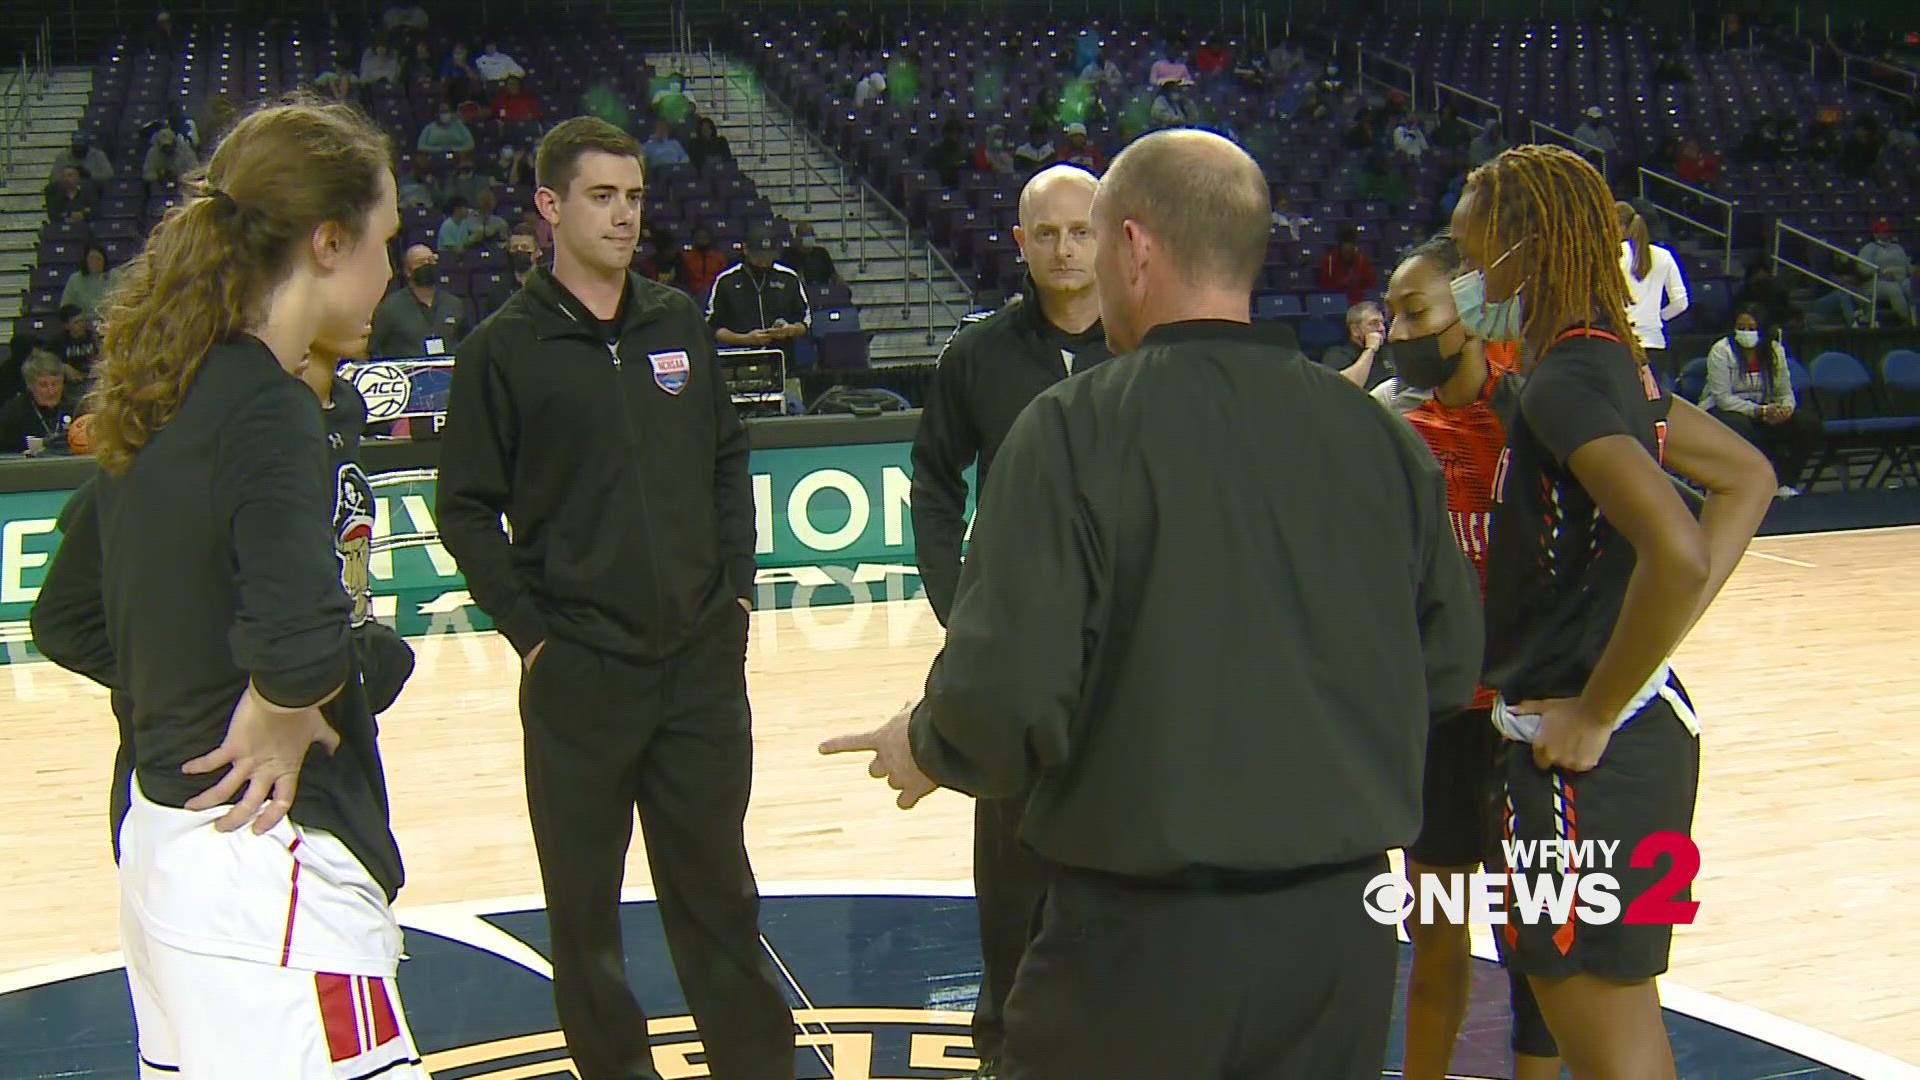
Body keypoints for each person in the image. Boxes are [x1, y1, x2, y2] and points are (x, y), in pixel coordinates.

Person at [822, 128, 1482, 1078]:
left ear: (1132, 248)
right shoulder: (1382, 441)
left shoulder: (1070, 431)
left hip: (1139, 943)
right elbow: (1450, 665)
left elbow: (1004, 700)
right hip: (1341, 939)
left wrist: (927, 742)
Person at [26, 97, 431, 1079]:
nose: (391, 270)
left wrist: (204, 689)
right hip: (267, 862)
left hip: (163, 850)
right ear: (329, 241)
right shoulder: (270, 407)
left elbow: (66, 616)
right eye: (384, 241)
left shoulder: (164, 392)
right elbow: (297, 648)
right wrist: (285, 693)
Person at [435, 115, 795, 1080]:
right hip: (581, 678)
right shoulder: (500, 352)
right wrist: (536, 638)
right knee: (585, 919)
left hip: (699, 669)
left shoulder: (677, 321)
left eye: (634, 197)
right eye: (602, 196)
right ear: (550, 207)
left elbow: (727, 456)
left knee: (722, 899)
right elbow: (465, 510)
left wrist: (738, 593)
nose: (625, 214)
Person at [1451, 144, 1774, 1079]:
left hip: (1586, 768)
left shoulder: (1565, 381)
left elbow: (1677, 546)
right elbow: (1746, 477)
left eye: (1476, 257)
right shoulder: (1614, 367)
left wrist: (1596, 705)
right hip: (1635, 749)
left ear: (1523, 248)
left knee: (1608, 1042)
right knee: (1616, 1029)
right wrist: (1643, 657)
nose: (1470, 280)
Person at [904, 164, 1113, 1078]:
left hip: (1127, 655)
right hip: (1017, 656)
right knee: (1012, 872)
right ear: (1020, 242)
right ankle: (1003, 1048)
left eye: (1082, 229)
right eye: (1048, 233)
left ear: (1111, 235)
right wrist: (962, 608)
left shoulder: (1150, 345)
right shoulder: (976, 356)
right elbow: (933, 485)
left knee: (1121, 853)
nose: (1066, 248)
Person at [1375, 235, 1561, 1080]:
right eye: (1393, 312)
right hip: (1443, 723)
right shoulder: (1389, 420)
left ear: (1475, 313)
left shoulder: (1541, 414)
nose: (1398, 328)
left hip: (1530, 722)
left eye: (1417, 311)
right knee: (1439, 937)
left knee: (1539, 951)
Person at [1703, 307, 1819, 497]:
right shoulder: (1721, 350)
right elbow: (1723, 398)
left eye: (1751, 328)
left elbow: (1785, 391)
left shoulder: (1774, 351)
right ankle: (1755, 484)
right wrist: (1760, 411)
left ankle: (1786, 482)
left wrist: (1786, 409)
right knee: (1745, 427)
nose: (1745, 332)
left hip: (1766, 409)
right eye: (1740, 327)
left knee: (1807, 424)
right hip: (1726, 411)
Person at [707, 228, 812, 360]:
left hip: (782, 356)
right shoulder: (726, 281)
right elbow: (713, 328)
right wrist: (745, 339)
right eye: (759, 257)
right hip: (740, 357)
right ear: (746, 250)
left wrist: (790, 330)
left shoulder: (789, 278)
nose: (764, 262)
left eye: (768, 257)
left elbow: (805, 321)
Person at [1617, 200, 1690, 385]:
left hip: (1620, 342)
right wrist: (1657, 317)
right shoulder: (1664, 255)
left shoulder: (1614, 254)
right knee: (1649, 405)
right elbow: (1681, 302)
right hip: (1654, 342)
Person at [369, 244, 469, 357]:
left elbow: (467, 342)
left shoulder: (454, 304)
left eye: (431, 260)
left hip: (448, 371)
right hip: (408, 371)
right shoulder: (390, 308)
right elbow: (375, 347)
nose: (427, 265)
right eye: (420, 262)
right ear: (408, 271)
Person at [0, 350, 80, 453]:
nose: (51, 391)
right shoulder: (12, 415)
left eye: (55, 383)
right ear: (30, 385)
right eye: (43, 385)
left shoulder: (76, 409)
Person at [475, 220, 541, 319]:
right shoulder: (497, 292)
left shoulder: (548, 290)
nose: (519, 251)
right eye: (515, 248)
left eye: (525, 247)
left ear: (538, 252)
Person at [1323, 299, 1389, 388]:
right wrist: (1370, 349)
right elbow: (1345, 388)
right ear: (1355, 330)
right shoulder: (1338, 354)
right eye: (1374, 323)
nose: (1382, 328)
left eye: (1383, 323)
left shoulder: (1390, 351)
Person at [1318, 224, 1377, 306]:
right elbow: (1324, 288)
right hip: (1335, 302)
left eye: (1351, 243)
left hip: (1359, 304)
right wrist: (1342, 283)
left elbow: (1370, 286)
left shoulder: (1362, 260)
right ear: (1339, 245)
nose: (1348, 247)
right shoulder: (1329, 261)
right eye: (1345, 243)